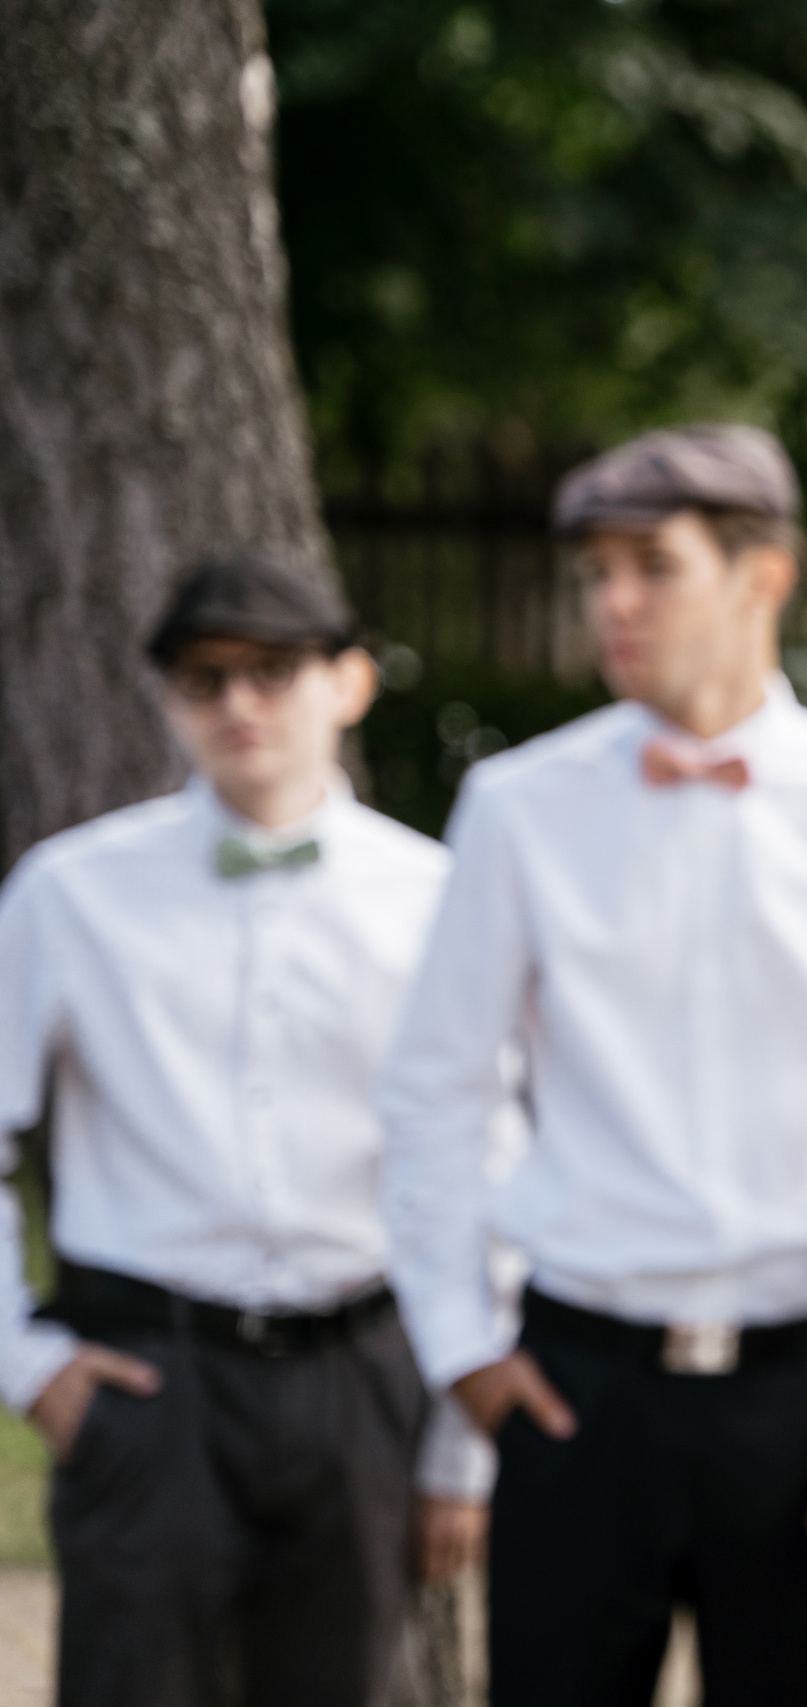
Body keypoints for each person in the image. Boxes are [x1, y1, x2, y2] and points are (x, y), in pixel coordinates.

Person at [377, 423, 807, 1707]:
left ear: (765, 574)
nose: (612, 602)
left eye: (651, 566)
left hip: (805, 1393)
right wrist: (459, 1346)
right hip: (577, 1390)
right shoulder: (520, 806)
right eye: (595, 574)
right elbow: (432, 1089)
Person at [0, 552, 487, 1706]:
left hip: (364, 1382)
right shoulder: (69, 893)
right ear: (168, 697)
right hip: (145, 1385)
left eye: (273, 671)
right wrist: (27, 1365)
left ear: (351, 683)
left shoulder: (437, 897)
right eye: (204, 678)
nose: (238, 705)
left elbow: (485, 1164)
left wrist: (462, 1444)